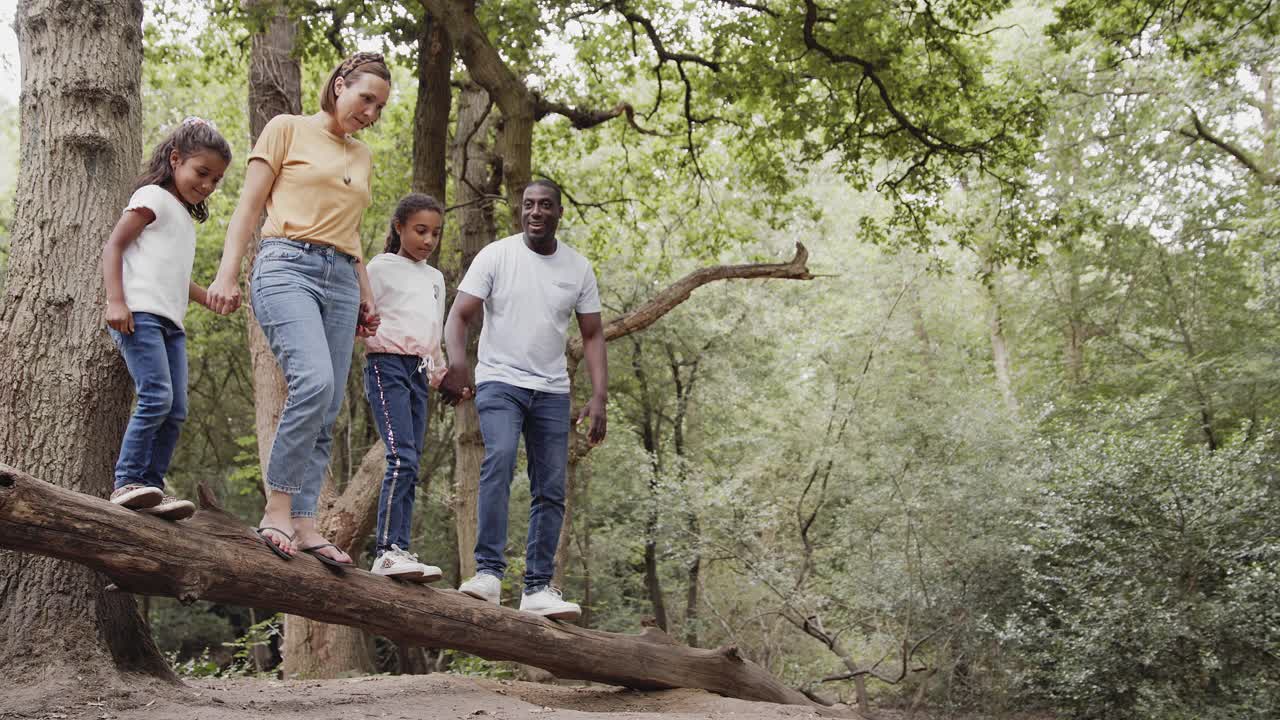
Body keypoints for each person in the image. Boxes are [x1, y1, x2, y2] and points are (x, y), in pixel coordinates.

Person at [205, 52, 390, 566]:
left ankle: (306, 523)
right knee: (314, 382)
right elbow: (248, 206)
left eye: (379, 107)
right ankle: (277, 509)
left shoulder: (363, 156)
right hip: (286, 265)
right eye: (365, 99)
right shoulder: (285, 129)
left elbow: (350, 235)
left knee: (328, 407)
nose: (371, 113)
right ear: (338, 85)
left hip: (342, 279)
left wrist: (367, 294)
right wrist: (226, 273)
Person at [441, 179, 608, 620]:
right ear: (521, 210)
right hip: (500, 380)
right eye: (528, 204)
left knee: (551, 486)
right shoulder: (497, 255)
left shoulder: (578, 268)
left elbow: (592, 334)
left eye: (545, 205)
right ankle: (489, 575)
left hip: (552, 390)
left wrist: (599, 397)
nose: (535, 211)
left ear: (559, 212)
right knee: (499, 458)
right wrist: (457, 365)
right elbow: (459, 316)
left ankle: (537, 588)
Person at [104, 117, 232, 521]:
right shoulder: (152, 197)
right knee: (157, 396)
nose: (208, 185)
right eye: (202, 172)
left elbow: (176, 277)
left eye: (216, 179)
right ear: (175, 159)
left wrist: (206, 297)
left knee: (176, 408)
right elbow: (114, 246)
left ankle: (152, 487)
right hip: (139, 314)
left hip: (172, 324)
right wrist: (116, 301)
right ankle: (127, 480)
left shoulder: (183, 217)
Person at [363, 193, 459, 582]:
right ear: (399, 227)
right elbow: (362, 315)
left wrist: (441, 376)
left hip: (420, 371)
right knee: (401, 457)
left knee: (412, 462)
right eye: (420, 230)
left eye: (435, 233)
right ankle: (385, 550)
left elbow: (432, 333)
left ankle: (400, 548)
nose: (428, 240)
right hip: (387, 364)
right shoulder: (380, 268)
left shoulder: (436, 279)